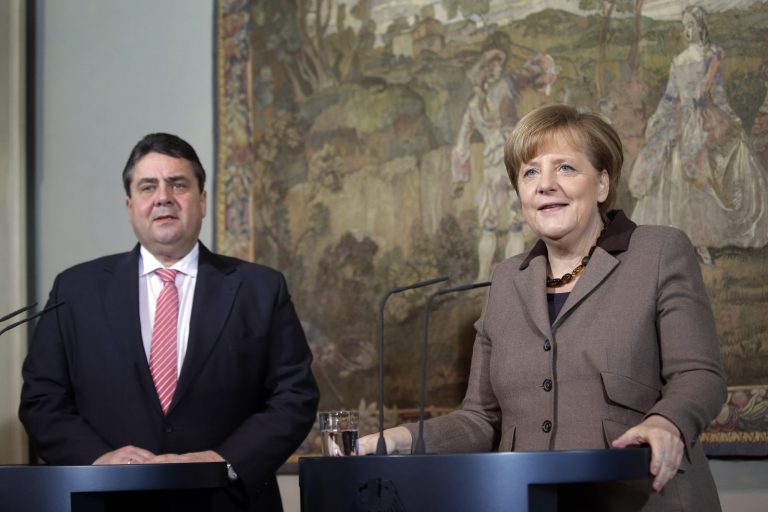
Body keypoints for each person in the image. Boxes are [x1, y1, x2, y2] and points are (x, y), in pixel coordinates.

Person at [359, 104, 727, 512]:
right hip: (529, 502)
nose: (545, 184)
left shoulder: (658, 251)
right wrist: (397, 440)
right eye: (530, 171)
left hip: (644, 499)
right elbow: (480, 419)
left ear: (602, 184)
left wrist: (666, 422)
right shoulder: (505, 281)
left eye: (565, 168)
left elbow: (698, 374)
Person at [19, 133, 319, 511]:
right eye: (148, 187)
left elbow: (294, 397)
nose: (164, 197)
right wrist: (98, 460)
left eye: (178, 184)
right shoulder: (75, 290)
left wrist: (224, 462)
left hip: (227, 501)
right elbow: (42, 399)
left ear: (203, 201)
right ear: (130, 205)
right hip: (110, 502)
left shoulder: (261, 288)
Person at [629, 6, 768, 265]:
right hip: (680, 122)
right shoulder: (678, 61)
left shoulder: (711, 56)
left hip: (704, 119)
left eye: (692, 24)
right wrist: (658, 119)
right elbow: (670, 98)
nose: (687, 30)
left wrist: (732, 119)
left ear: (702, 27)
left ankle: (702, 241)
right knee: (670, 163)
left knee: (715, 160)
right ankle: (673, 242)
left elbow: (718, 95)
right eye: (685, 25)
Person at [451, 48, 527, 281]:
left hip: (493, 168)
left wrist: (460, 179)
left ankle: (483, 278)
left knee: (490, 225)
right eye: (494, 66)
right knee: (515, 224)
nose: (499, 70)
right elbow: (513, 125)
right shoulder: (503, 91)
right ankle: (513, 278)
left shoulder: (473, 106)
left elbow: (462, 143)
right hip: (511, 163)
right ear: (487, 71)